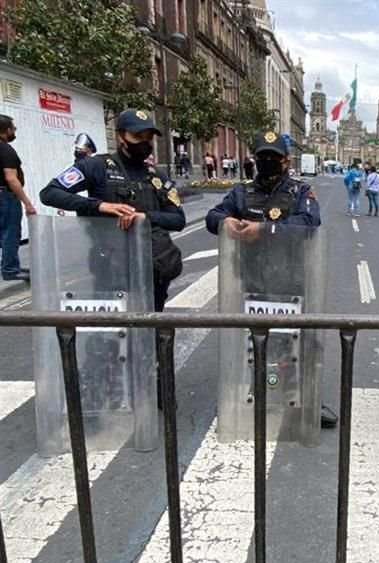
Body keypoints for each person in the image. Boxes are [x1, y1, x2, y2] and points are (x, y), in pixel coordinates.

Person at [205, 131, 336, 429]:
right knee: (255, 342)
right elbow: (213, 217)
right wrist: (224, 221)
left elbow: (309, 223)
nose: (265, 162)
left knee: (297, 343)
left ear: (286, 161)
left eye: (272, 158)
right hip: (252, 281)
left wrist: (264, 229)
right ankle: (260, 392)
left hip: (290, 282)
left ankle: (303, 399)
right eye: (261, 156)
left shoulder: (300, 193)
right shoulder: (241, 193)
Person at [40, 108, 185, 311]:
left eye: (148, 137)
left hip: (153, 266)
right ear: (120, 136)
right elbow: (49, 193)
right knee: (110, 332)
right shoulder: (97, 166)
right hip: (110, 266)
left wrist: (144, 217)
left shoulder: (157, 175)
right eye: (137, 136)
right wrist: (99, 205)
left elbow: (178, 219)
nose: (144, 143)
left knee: (152, 328)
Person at [0, 115, 36, 281]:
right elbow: (11, 179)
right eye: (13, 128)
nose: (15, 131)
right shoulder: (6, 150)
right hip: (6, 197)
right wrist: (27, 203)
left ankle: (9, 265)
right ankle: (10, 270)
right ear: (7, 130)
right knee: (10, 233)